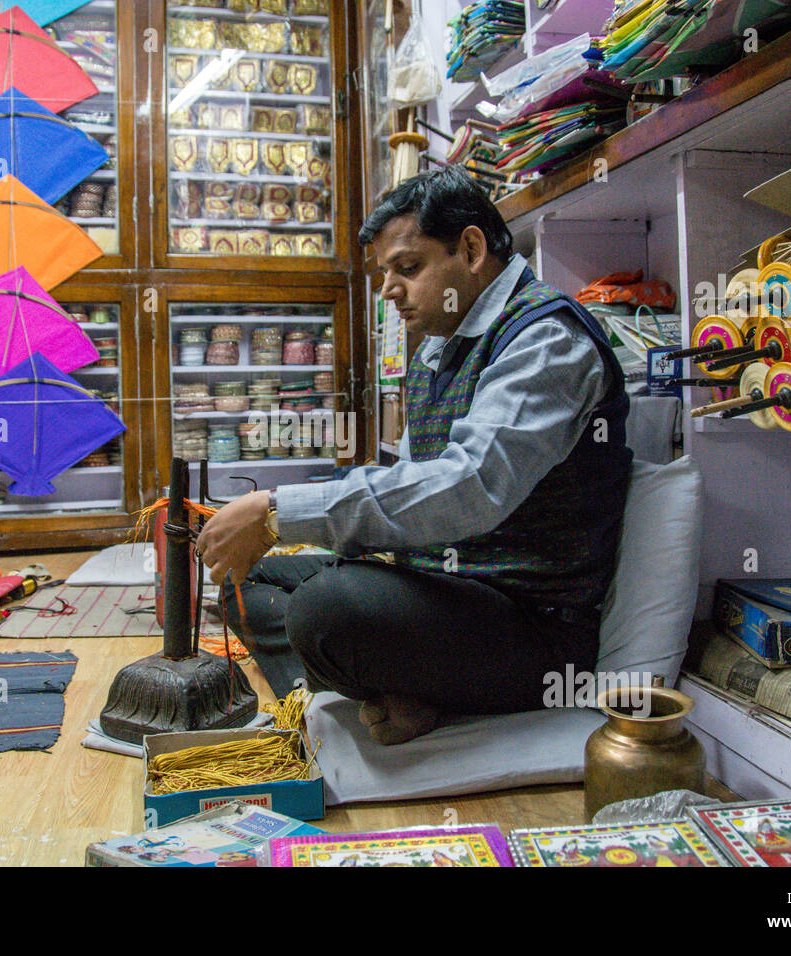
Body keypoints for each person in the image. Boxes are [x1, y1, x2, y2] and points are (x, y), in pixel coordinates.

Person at [197, 167, 633, 745]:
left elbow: (471, 486)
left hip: (534, 626)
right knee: (242, 575)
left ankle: (374, 693)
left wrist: (279, 511)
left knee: (326, 610)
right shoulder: (439, 349)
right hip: (446, 588)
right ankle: (386, 697)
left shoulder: (546, 339)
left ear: (472, 249)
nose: (388, 291)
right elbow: (409, 478)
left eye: (408, 268)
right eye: (385, 274)